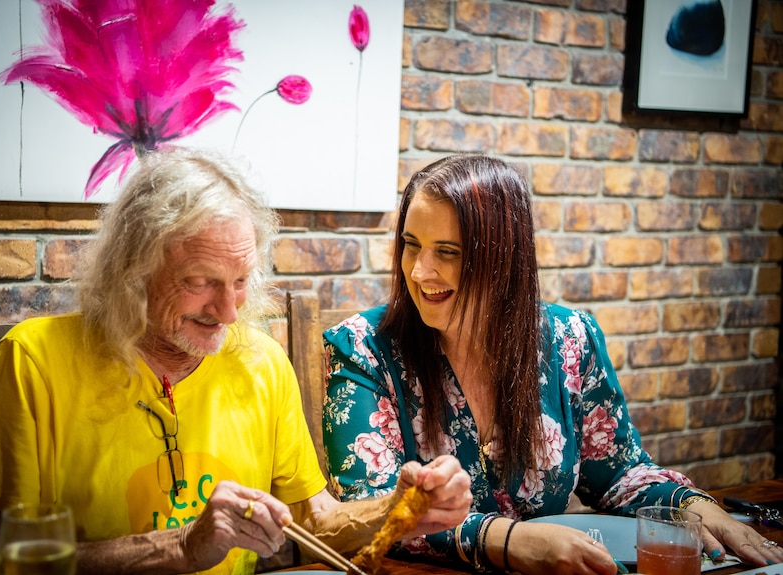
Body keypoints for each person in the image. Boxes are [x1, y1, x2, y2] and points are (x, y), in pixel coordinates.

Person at [0, 147, 473, 575]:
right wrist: (180, 548)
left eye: (240, 282)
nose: (227, 310)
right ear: (133, 271)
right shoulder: (35, 361)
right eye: (199, 283)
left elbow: (316, 522)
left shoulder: (260, 362)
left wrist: (401, 511)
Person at [322, 154, 783, 575]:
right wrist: (508, 540)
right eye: (411, 244)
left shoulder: (570, 338)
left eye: (448, 251)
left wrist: (693, 505)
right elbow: (370, 513)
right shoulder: (362, 349)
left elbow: (620, 472)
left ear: (503, 259)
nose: (420, 271)